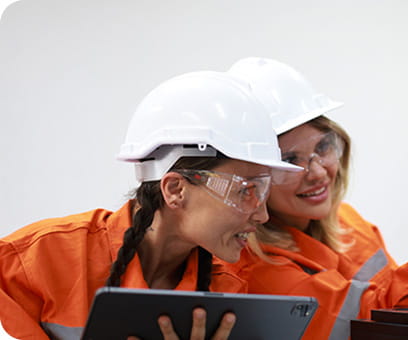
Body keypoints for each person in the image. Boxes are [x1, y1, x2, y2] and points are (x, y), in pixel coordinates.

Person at [215, 57, 408, 340]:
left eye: (323, 147)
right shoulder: (254, 268)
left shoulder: (349, 224)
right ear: (252, 176)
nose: (318, 172)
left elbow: (407, 309)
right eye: (291, 159)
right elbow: (380, 328)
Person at [0, 70, 301, 339]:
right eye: (245, 190)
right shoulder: (31, 263)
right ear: (175, 190)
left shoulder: (226, 291)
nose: (261, 215)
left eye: (263, 191)